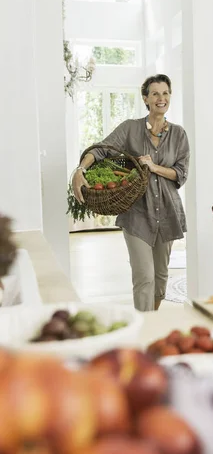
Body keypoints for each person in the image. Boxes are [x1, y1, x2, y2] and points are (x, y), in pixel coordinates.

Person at [72, 74, 189, 312]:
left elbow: (181, 174)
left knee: (160, 279)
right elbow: (101, 149)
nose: (161, 98)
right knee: (144, 277)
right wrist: (80, 169)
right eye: (155, 93)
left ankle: (151, 319)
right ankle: (144, 329)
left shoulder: (179, 134)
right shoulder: (130, 128)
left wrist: (154, 167)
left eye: (165, 93)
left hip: (167, 213)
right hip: (137, 214)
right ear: (145, 98)